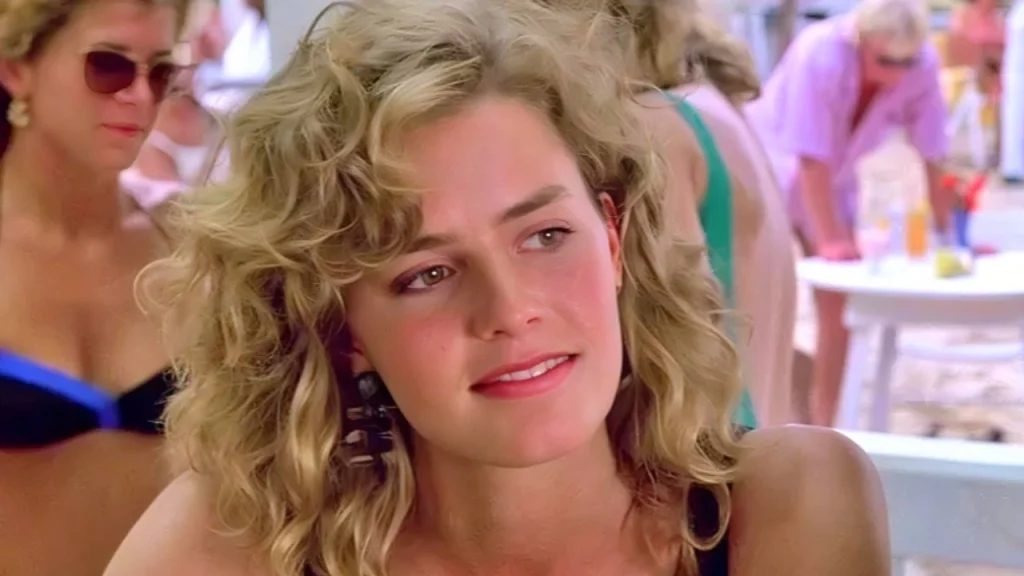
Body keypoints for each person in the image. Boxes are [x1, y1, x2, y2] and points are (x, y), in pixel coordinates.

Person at [105, 2, 889, 575]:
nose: (511, 310)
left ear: (612, 240)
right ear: (343, 329)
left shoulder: (788, 510)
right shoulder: (238, 543)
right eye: (427, 274)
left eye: (545, 236)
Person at [0, 0, 190, 574]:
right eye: (108, 65)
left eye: (160, 72)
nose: (140, 96)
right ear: (16, 69)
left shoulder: (191, 244)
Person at [552, 0, 799, 426]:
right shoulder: (712, 106)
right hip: (757, 440)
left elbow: (672, 354)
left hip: (713, 446)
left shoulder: (654, 128)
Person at [746, 0, 952, 427]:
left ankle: (826, 423)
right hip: (766, 171)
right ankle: (759, 413)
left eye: (907, 62)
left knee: (838, 305)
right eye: (886, 61)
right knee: (762, 297)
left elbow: (933, 153)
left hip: (836, 183)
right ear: (861, 41)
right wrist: (830, 239)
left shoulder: (923, 62)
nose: (897, 73)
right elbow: (809, 157)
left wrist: (952, 236)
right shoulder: (819, 52)